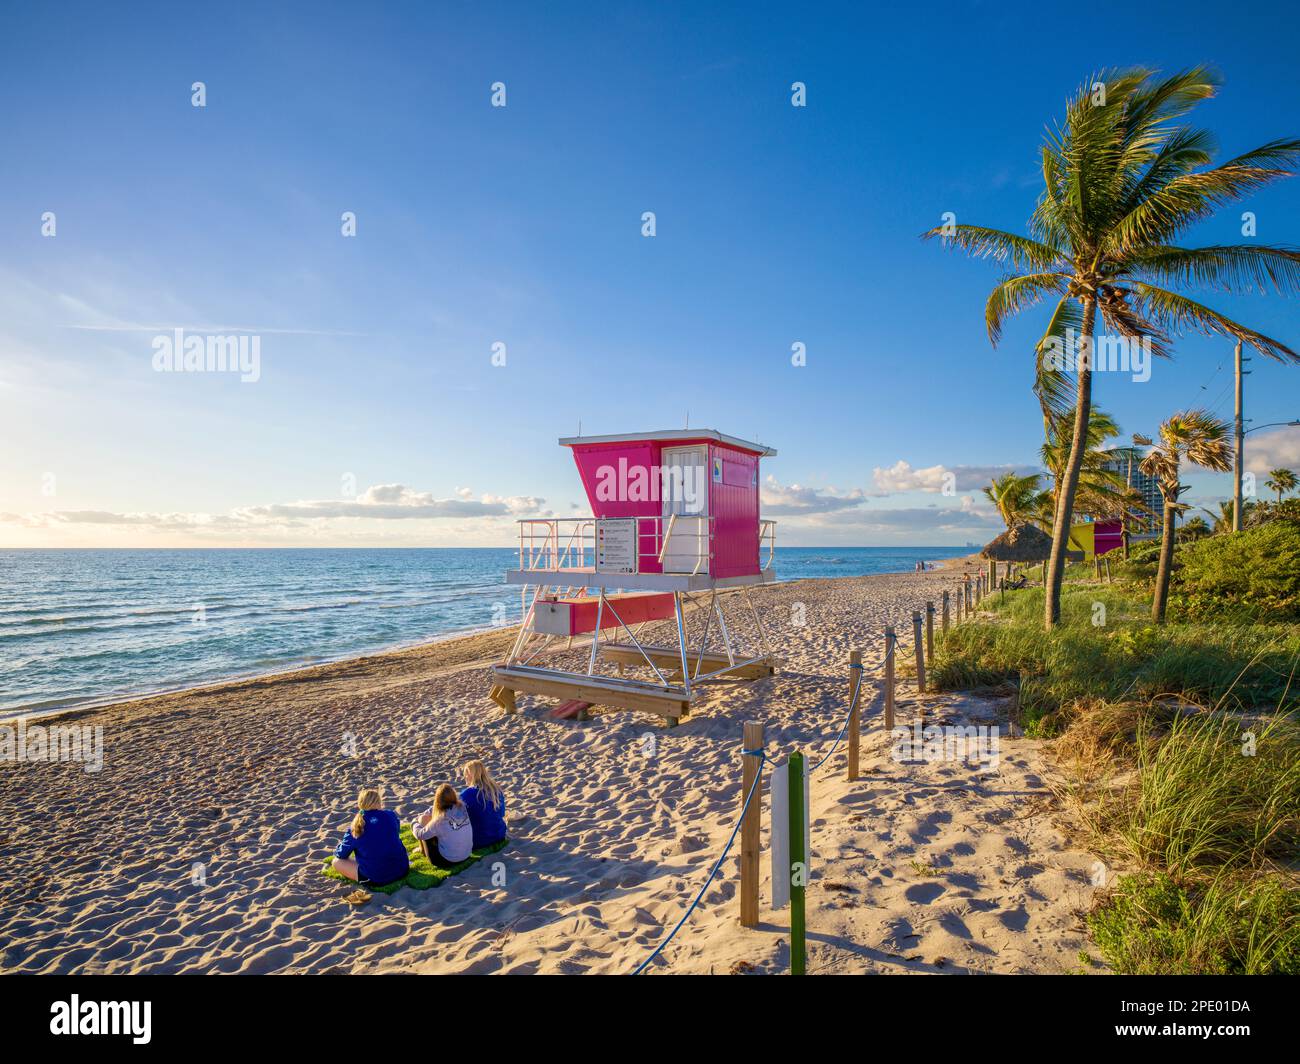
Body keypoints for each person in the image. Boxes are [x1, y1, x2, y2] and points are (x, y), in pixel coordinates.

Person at [332, 788, 409, 886]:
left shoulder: (355, 827)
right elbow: (395, 832)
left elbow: (341, 855)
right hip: (402, 870)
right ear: (378, 802)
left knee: (336, 862)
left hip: (377, 879)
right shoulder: (391, 815)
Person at [411, 784, 474, 868]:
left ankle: (422, 850)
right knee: (426, 818)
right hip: (467, 854)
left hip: (447, 860)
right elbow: (433, 809)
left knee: (423, 820)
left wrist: (414, 822)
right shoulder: (462, 807)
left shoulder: (440, 820)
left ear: (437, 800)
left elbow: (420, 834)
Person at [459, 759, 507, 848]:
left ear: (471, 774)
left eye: (466, 774)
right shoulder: (496, 790)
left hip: (478, 841)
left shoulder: (466, 794)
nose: (464, 776)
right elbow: (502, 813)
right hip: (500, 834)